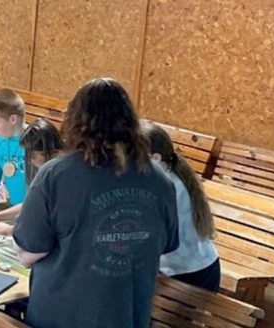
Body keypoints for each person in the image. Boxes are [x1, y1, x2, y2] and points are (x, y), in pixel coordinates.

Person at [11, 78, 179, 328]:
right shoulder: (158, 179)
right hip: (127, 314)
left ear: (75, 121)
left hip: (63, 314)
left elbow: (28, 251)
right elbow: (166, 244)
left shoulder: (56, 175)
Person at [143, 122, 220, 292]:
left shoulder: (169, 187)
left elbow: (154, 239)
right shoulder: (164, 177)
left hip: (192, 273)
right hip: (181, 268)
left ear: (155, 158)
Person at [0, 118, 63, 235]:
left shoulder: (62, 177)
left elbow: (51, 229)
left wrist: (9, 230)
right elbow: (32, 203)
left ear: (50, 152)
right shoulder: (50, 170)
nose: (30, 160)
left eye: (33, 156)